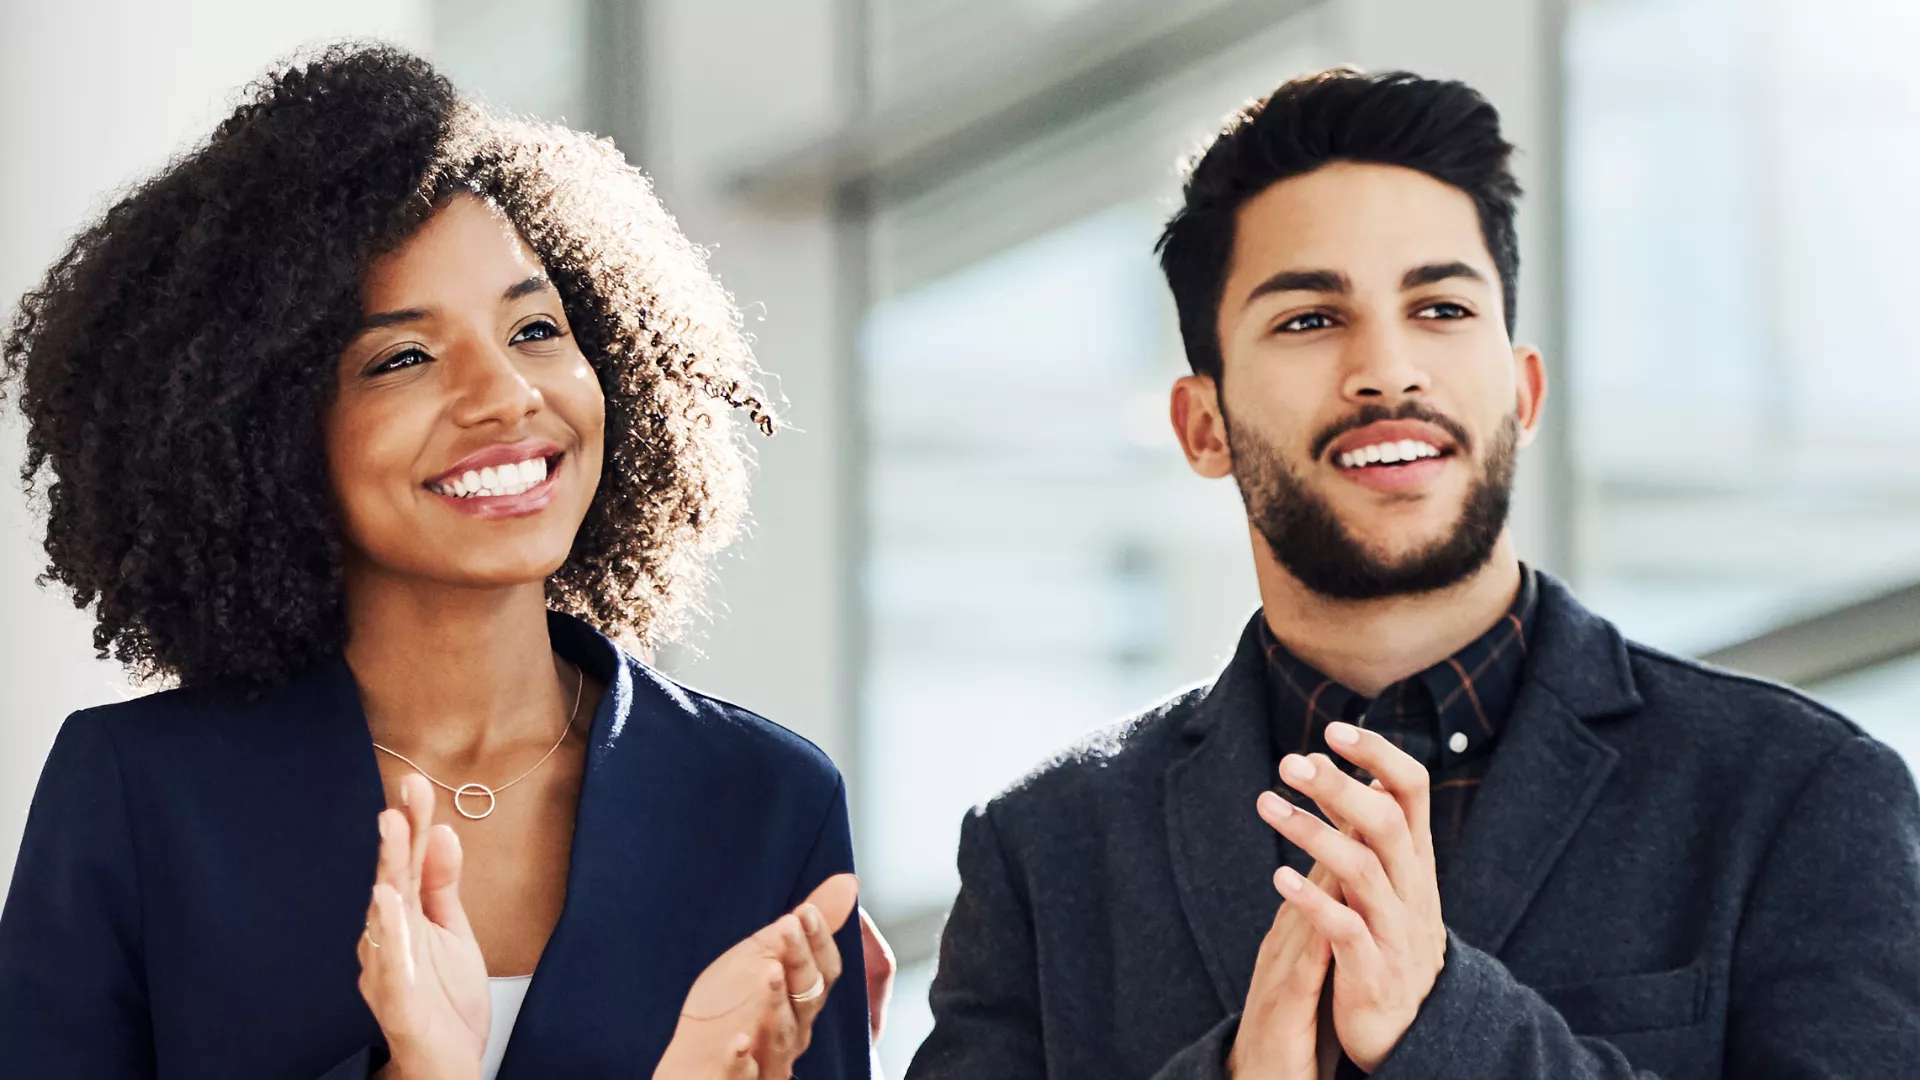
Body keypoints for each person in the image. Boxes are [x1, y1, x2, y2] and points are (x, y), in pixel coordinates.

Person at [907, 67, 1920, 1080]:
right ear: (1202, 425)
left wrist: (1442, 1028)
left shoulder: (1796, 796)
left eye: (1439, 308)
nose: (1388, 370)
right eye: (1309, 319)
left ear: (1522, 392)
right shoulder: (1048, 851)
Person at [0, 44, 887, 1079]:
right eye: (403, 358)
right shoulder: (145, 797)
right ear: (262, 429)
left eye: (537, 327)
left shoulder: (761, 800)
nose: (506, 393)